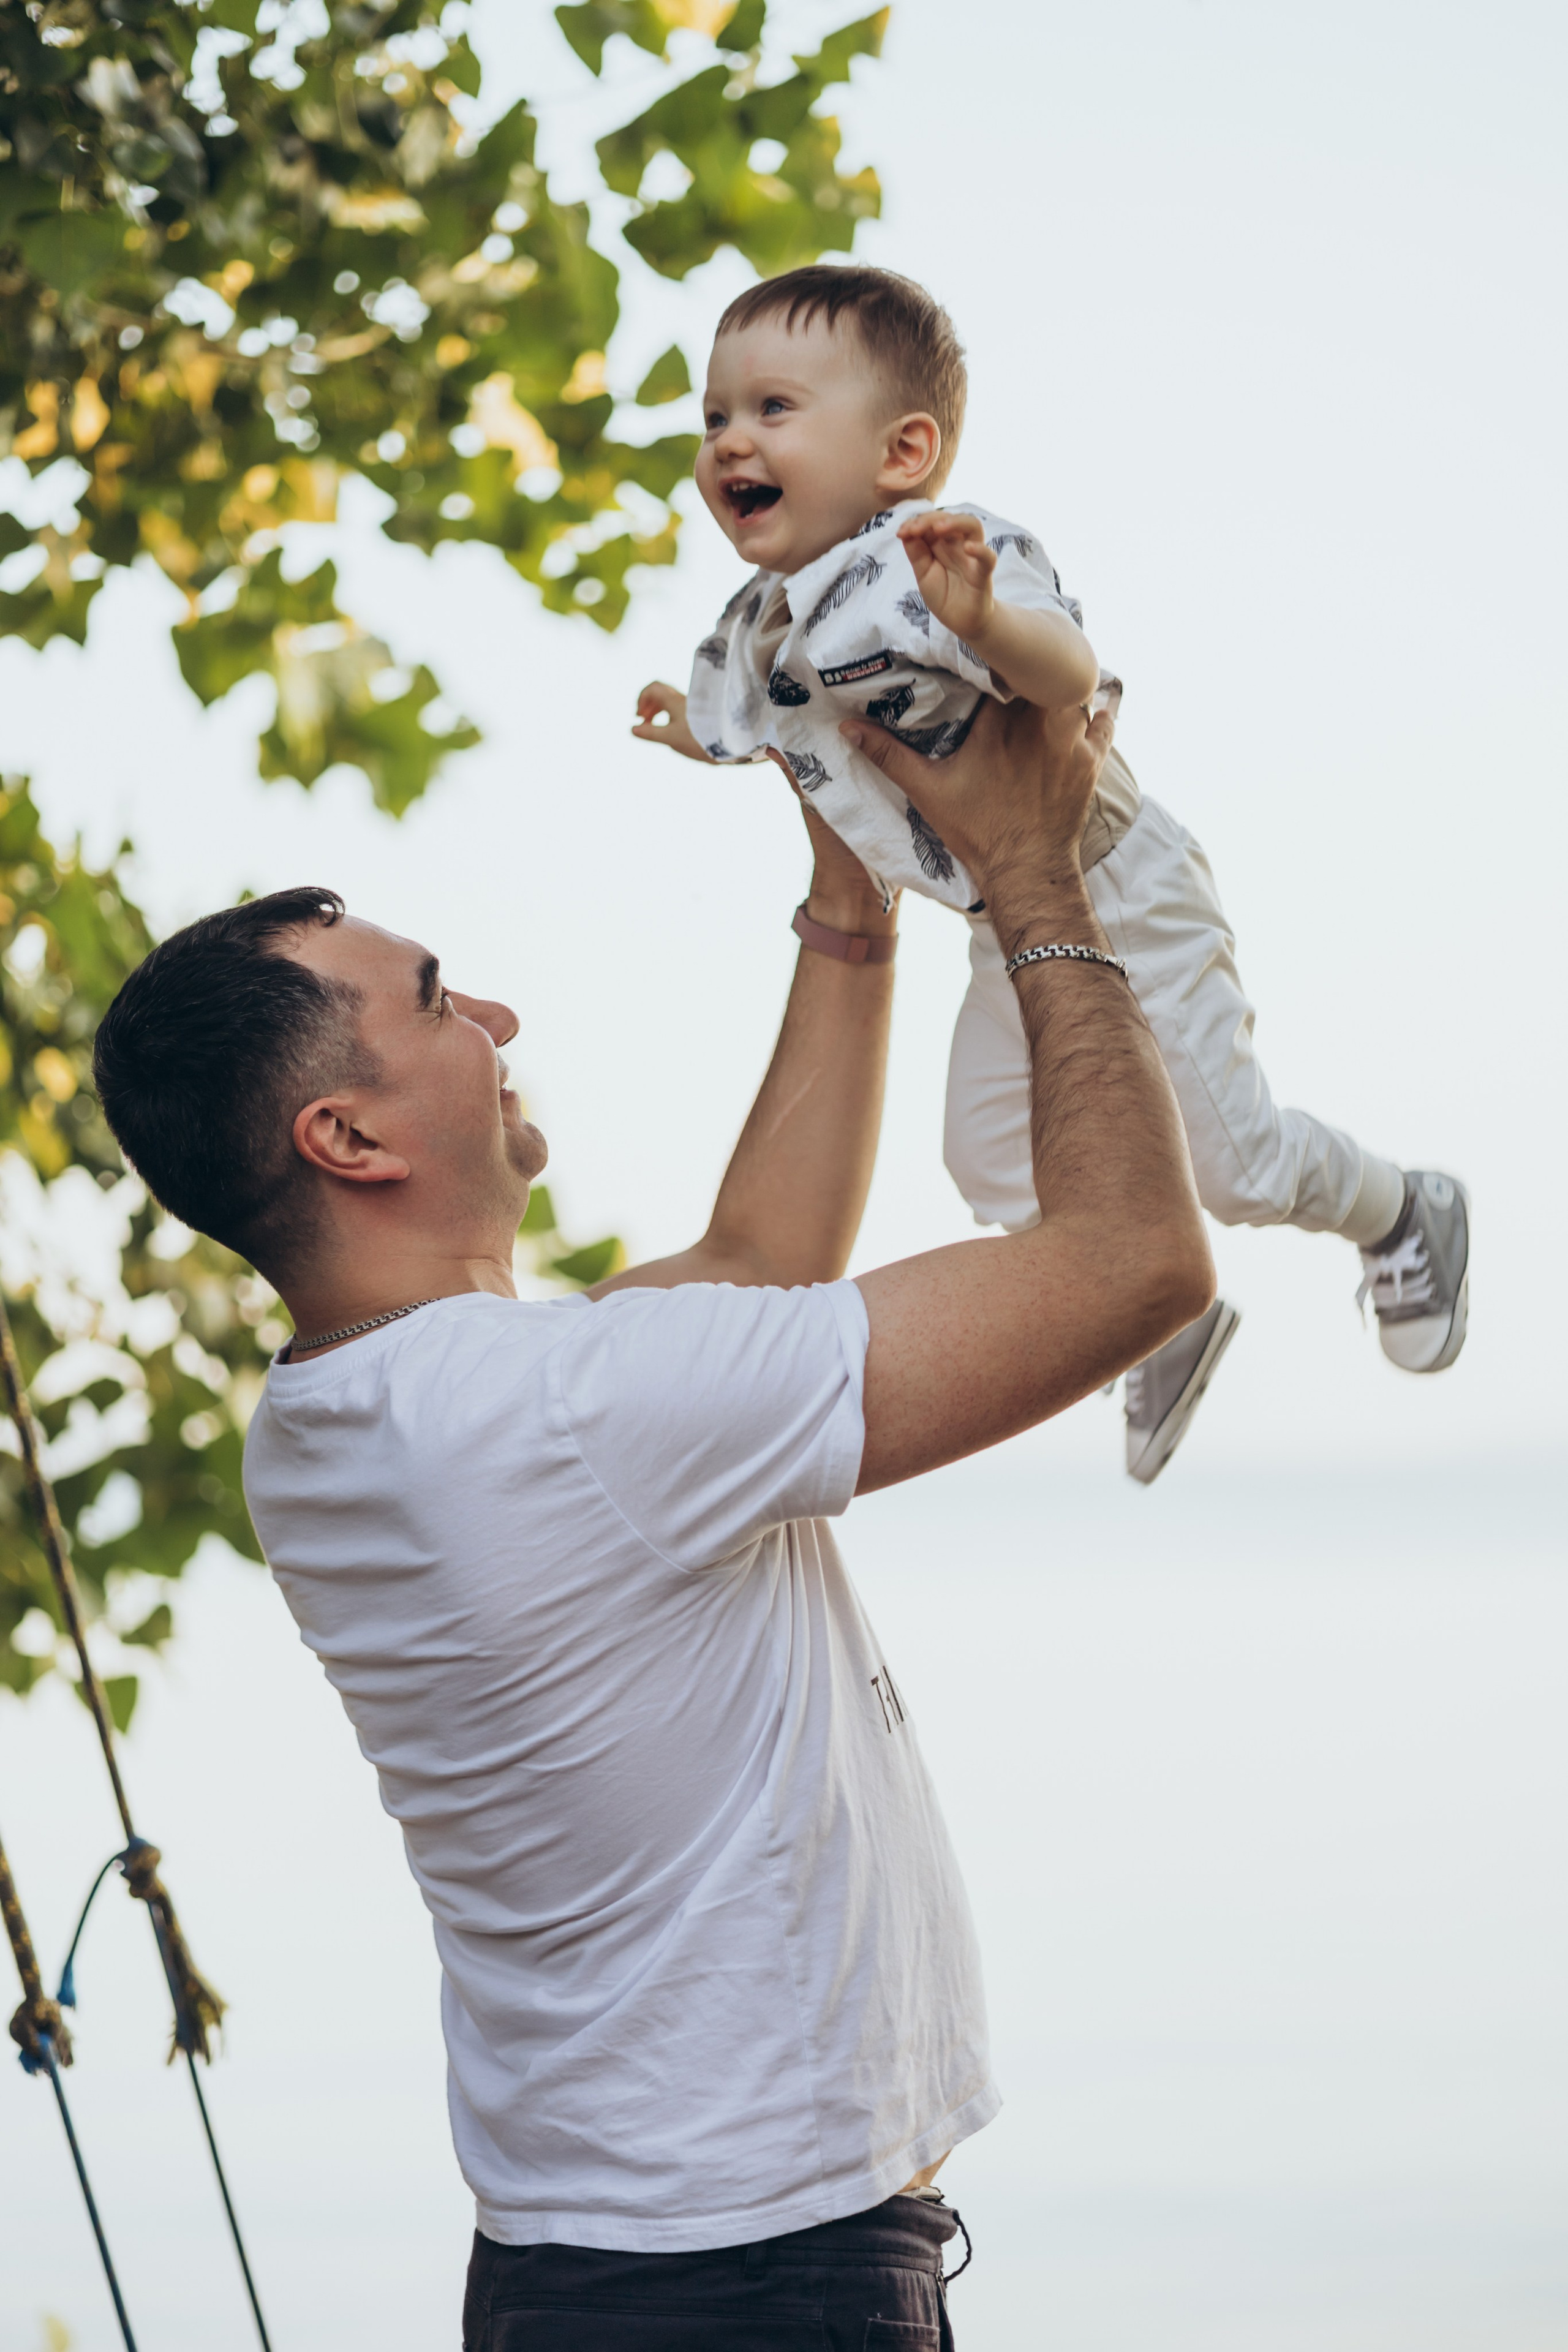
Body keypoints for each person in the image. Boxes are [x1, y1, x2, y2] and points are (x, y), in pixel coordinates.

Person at [92, 695, 1209, 2346]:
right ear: (348, 1136)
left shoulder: (342, 1421)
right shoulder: (567, 1413)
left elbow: (758, 1265)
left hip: (590, 2270)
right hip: (751, 2290)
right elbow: (1136, 1265)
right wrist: (1035, 876)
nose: (497, 1017)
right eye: (437, 1003)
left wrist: (850, 893)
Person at [633, 264, 1470, 1483]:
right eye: (715, 416)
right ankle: (1155, 1318)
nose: (728, 441)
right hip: (1004, 913)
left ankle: (1398, 1208)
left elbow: (1068, 679)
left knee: (1238, 1168)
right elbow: (761, 717)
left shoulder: (944, 557)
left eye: (772, 409)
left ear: (904, 450)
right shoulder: (767, 615)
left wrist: (983, 620)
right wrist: (691, 730)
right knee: (988, 1158)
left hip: (1116, 879)